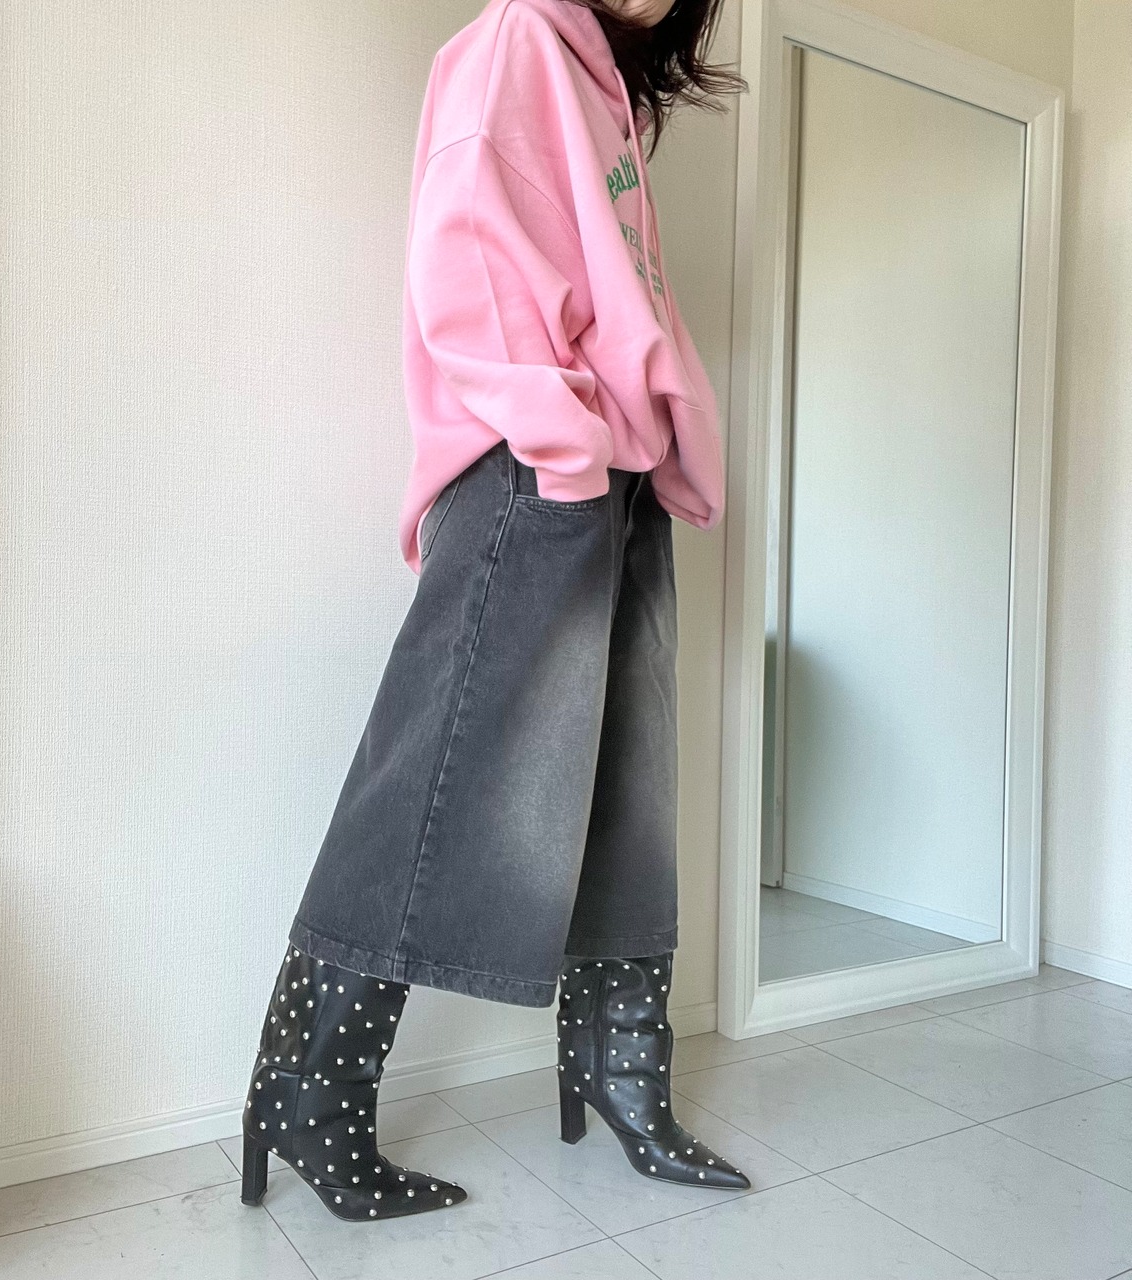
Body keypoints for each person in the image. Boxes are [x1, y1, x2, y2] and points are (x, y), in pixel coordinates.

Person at [240, 0, 748, 1223]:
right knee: (431, 787)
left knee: (624, 786)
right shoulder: (518, 39)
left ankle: (620, 1069)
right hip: (537, 470)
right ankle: (306, 1090)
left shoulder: (605, 93)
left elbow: (628, 298)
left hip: (609, 474)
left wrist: (664, 446)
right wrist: (562, 440)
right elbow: (468, 253)